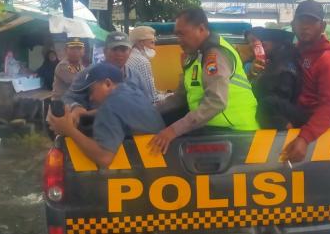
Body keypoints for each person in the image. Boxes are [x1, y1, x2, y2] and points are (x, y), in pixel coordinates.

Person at [150, 9, 259, 154]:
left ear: (201, 29)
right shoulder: (195, 56)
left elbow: (216, 102)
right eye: (176, 34)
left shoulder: (214, 54)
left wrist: (173, 130)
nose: (178, 39)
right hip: (213, 127)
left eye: (182, 33)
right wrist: (152, 111)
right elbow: (180, 97)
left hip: (235, 131)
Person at [47, 62, 164, 167]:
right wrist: (85, 114)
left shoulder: (109, 107)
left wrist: (69, 130)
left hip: (143, 165)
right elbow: (122, 112)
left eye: (91, 91)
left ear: (107, 84)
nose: (91, 98)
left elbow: (104, 158)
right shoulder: (133, 92)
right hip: (160, 158)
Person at [282, 0, 330, 163]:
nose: (305, 26)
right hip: (292, 120)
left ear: (322, 27)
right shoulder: (294, 52)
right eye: (301, 21)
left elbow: (329, 106)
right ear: (293, 24)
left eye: (311, 22)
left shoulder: (328, 60)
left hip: (311, 127)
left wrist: (304, 138)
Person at [63, 32, 145, 126]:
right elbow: (68, 97)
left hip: (132, 132)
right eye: (114, 49)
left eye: (123, 49)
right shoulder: (89, 73)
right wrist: (75, 107)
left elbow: (148, 102)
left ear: (130, 52)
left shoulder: (136, 76)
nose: (119, 54)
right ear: (105, 51)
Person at [250, 28, 301, 129]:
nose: (262, 43)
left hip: (277, 127)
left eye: (265, 41)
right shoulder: (273, 61)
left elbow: (279, 102)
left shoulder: (285, 67)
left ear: (278, 43)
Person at [127, 26, 162, 103]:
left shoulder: (129, 56)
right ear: (140, 43)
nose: (154, 47)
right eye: (152, 43)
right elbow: (152, 98)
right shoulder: (142, 62)